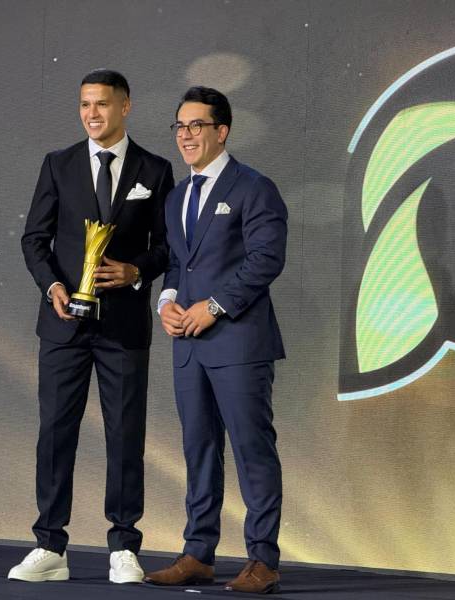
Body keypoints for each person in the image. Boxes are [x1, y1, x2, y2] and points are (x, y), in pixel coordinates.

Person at [13, 69, 174, 584]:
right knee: (55, 432)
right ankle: (50, 545)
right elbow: (33, 240)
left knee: (126, 434)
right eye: (85, 105)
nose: (91, 114)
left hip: (124, 325)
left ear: (125, 106)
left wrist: (137, 272)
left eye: (101, 104)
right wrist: (52, 287)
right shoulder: (58, 165)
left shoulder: (156, 168)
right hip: (63, 324)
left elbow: (169, 247)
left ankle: (124, 545)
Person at [144, 86, 287, 594]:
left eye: (196, 126)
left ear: (221, 131)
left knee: (252, 451)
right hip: (188, 347)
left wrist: (215, 306)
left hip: (239, 344)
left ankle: (263, 560)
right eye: (179, 127)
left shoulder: (254, 187)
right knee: (198, 450)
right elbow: (179, 265)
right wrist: (168, 303)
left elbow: (265, 260)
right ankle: (198, 553)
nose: (186, 136)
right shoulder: (179, 195)